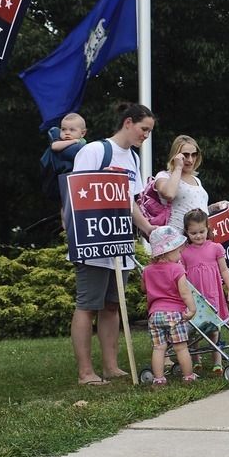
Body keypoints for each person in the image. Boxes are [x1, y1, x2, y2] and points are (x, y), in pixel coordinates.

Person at [69, 102, 155, 386]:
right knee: (87, 305)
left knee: (111, 306)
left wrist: (148, 230)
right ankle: (85, 372)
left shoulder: (133, 158)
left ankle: (110, 367)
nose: (146, 135)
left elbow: (132, 202)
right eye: (144, 129)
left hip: (121, 242)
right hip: (94, 242)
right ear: (128, 123)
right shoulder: (94, 150)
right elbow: (76, 193)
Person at [142, 225, 198, 385]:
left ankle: (159, 379)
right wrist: (192, 308)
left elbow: (144, 288)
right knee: (181, 347)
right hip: (174, 314)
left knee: (159, 348)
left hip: (155, 315)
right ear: (167, 251)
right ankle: (188, 376)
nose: (180, 255)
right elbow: (185, 292)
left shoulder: (147, 270)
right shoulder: (177, 269)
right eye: (178, 251)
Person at [180, 208, 229, 372]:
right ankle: (196, 359)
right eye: (193, 233)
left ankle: (217, 361)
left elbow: (224, 270)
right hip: (194, 297)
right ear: (187, 232)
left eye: (201, 231)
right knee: (195, 329)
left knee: (214, 328)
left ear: (208, 228)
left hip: (212, 295)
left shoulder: (216, 248)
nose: (198, 236)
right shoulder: (184, 253)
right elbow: (181, 275)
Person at [153, 135, 228, 231]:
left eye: (194, 154)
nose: (190, 160)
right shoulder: (164, 176)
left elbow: (194, 211)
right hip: (175, 238)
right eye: (185, 155)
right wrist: (178, 167)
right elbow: (169, 194)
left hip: (197, 238)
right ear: (176, 156)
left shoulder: (196, 180)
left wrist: (213, 208)